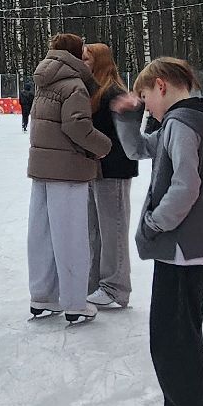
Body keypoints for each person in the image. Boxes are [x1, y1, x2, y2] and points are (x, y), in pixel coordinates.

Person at [110, 57, 203, 406]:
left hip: (183, 251)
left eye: (146, 99)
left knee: (176, 349)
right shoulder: (188, 119)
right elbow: (140, 149)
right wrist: (128, 116)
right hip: (188, 252)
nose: (148, 108)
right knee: (179, 344)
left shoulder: (182, 124)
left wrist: (155, 222)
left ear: (162, 86)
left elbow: (186, 186)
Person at [26, 33, 113, 326]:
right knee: (71, 237)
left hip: (41, 167)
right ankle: (76, 303)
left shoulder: (44, 81)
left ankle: (42, 295)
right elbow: (76, 125)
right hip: (67, 169)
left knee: (42, 234)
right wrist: (103, 146)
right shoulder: (74, 85)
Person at [84, 43, 138, 309]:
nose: (82, 63)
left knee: (113, 229)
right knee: (94, 230)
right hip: (96, 170)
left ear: (101, 61)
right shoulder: (95, 91)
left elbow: (129, 131)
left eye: (86, 58)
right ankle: (95, 283)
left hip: (114, 169)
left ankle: (116, 287)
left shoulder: (113, 92)